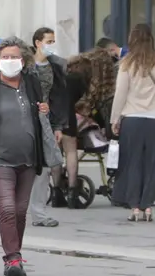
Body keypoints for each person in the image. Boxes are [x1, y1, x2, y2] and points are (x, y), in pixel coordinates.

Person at [0, 37, 58, 276]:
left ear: (24, 60)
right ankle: (13, 259)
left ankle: (14, 253)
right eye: (5, 57)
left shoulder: (32, 83)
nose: (10, 61)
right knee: (7, 208)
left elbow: (41, 112)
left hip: (29, 158)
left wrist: (44, 111)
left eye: (15, 57)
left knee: (19, 211)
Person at [111, 24, 155, 222]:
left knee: (133, 164)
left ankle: (135, 208)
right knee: (152, 165)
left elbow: (120, 95)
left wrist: (115, 119)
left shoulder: (126, 64)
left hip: (132, 119)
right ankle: (148, 206)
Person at [60, 47, 116, 208]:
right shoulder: (86, 83)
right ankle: (72, 192)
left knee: (57, 154)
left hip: (56, 118)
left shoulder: (63, 75)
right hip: (73, 122)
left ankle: (56, 191)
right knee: (71, 153)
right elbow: (90, 107)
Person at [29, 27, 68, 227]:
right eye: (49, 41)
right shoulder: (23, 64)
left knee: (45, 167)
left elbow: (59, 98)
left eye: (53, 41)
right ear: (37, 42)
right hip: (22, 118)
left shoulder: (57, 66)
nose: (52, 45)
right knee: (17, 166)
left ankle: (39, 213)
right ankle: (6, 207)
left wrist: (58, 126)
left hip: (45, 121)